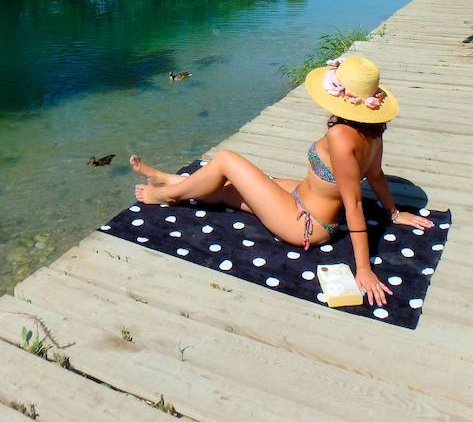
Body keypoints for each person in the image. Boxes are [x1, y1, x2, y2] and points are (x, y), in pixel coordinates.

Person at [131, 54, 434, 307]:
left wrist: (364, 269)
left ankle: (166, 196)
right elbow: (377, 176)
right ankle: (171, 180)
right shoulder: (373, 132)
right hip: (303, 198)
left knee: (226, 161)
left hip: (306, 222)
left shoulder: (340, 136)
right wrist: (394, 214)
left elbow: (354, 203)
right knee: (235, 186)